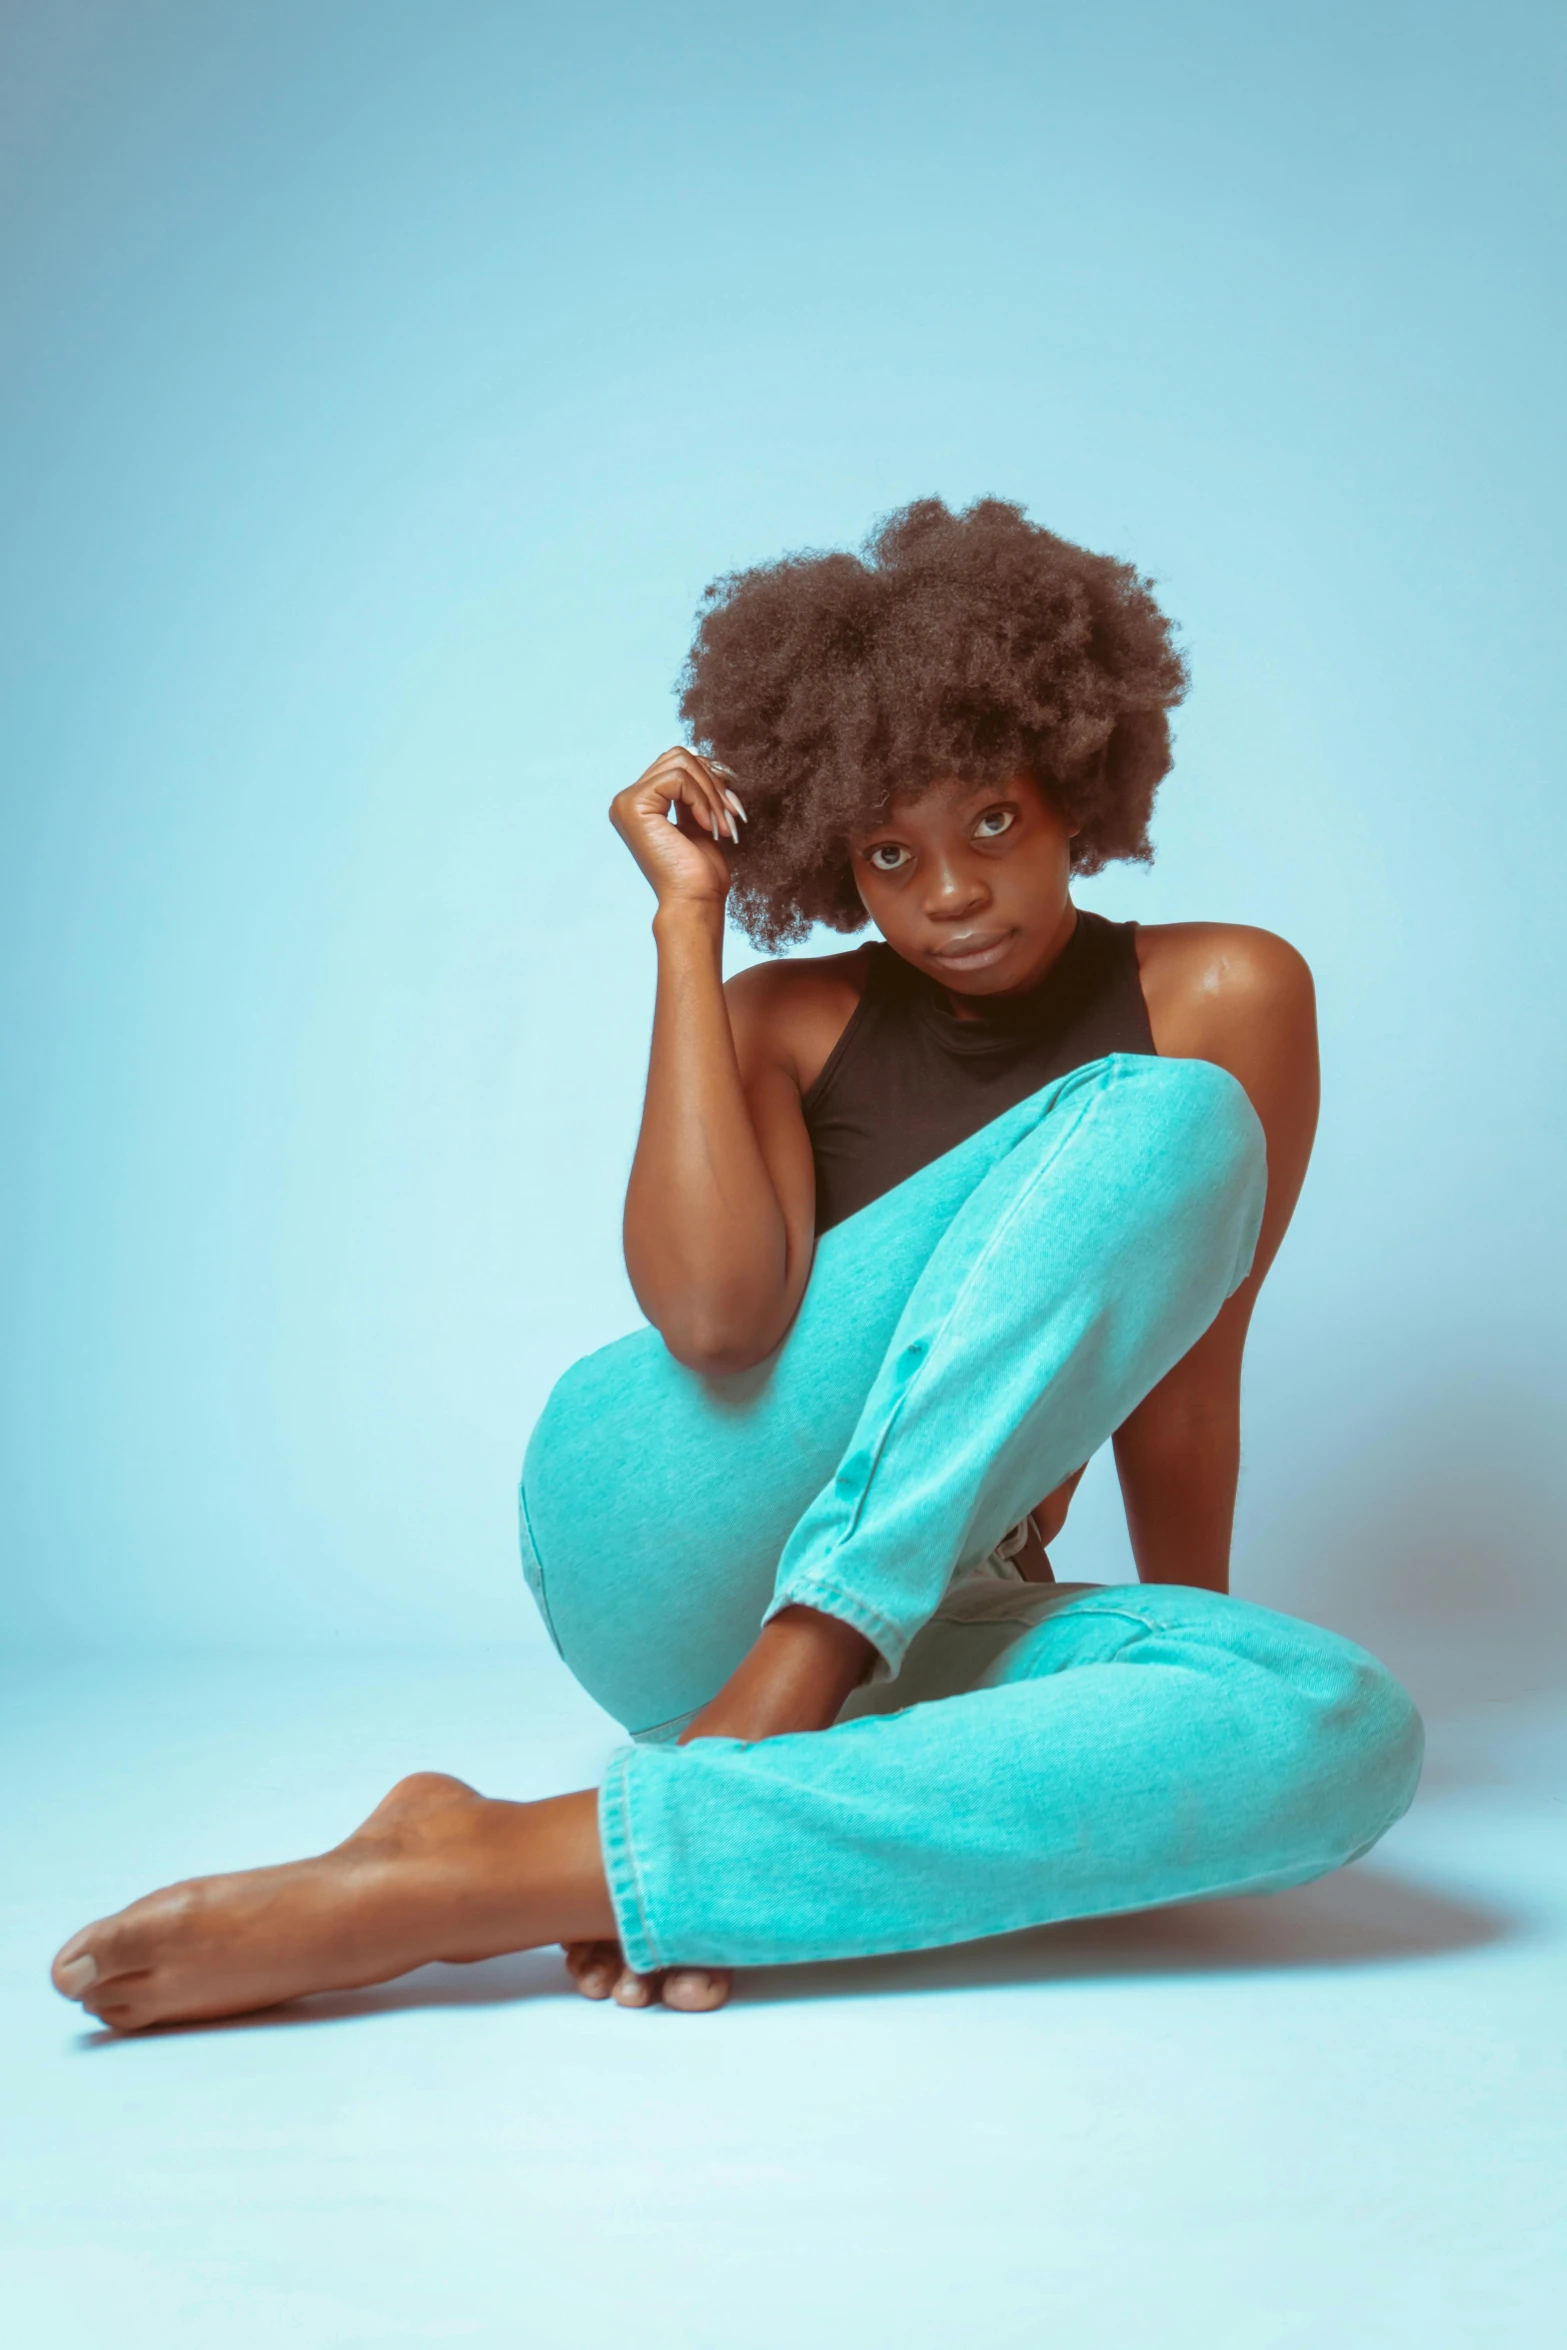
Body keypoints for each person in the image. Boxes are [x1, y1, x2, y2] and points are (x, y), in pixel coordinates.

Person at [51, 498, 1422, 2032]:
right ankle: (800, 1662)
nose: (950, 893)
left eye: (990, 823)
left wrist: (1160, 1694)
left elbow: (1180, 1378)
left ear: (1074, 792)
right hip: (667, 1527)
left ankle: (506, 1860)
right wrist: (687, 925)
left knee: (1333, 1720)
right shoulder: (788, 1017)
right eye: (888, 853)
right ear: (838, 856)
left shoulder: (1225, 984)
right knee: (1173, 1121)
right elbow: (710, 1318)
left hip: (885, 1631)